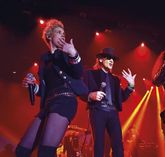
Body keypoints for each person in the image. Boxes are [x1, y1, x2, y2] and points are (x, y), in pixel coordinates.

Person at [15, 19, 87, 157]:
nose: (63, 35)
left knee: (45, 152)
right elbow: (45, 90)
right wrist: (33, 86)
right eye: (59, 32)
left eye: (64, 33)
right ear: (49, 36)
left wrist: (74, 54)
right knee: (21, 151)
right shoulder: (44, 58)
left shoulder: (66, 53)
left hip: (64, 101)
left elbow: (78, 73)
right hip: (48, 103)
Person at [81, 47, 136, 157]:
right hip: (98, 111)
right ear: (100, 59)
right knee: (99, 144)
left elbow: (122, 98)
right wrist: (90, 96)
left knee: (118, 144)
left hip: (113, 113)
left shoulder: (115, 79)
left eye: (113, 59)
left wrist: (130, 85)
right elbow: (81, 91)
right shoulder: (90, 74)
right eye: (109, 58)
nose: (112, 61)